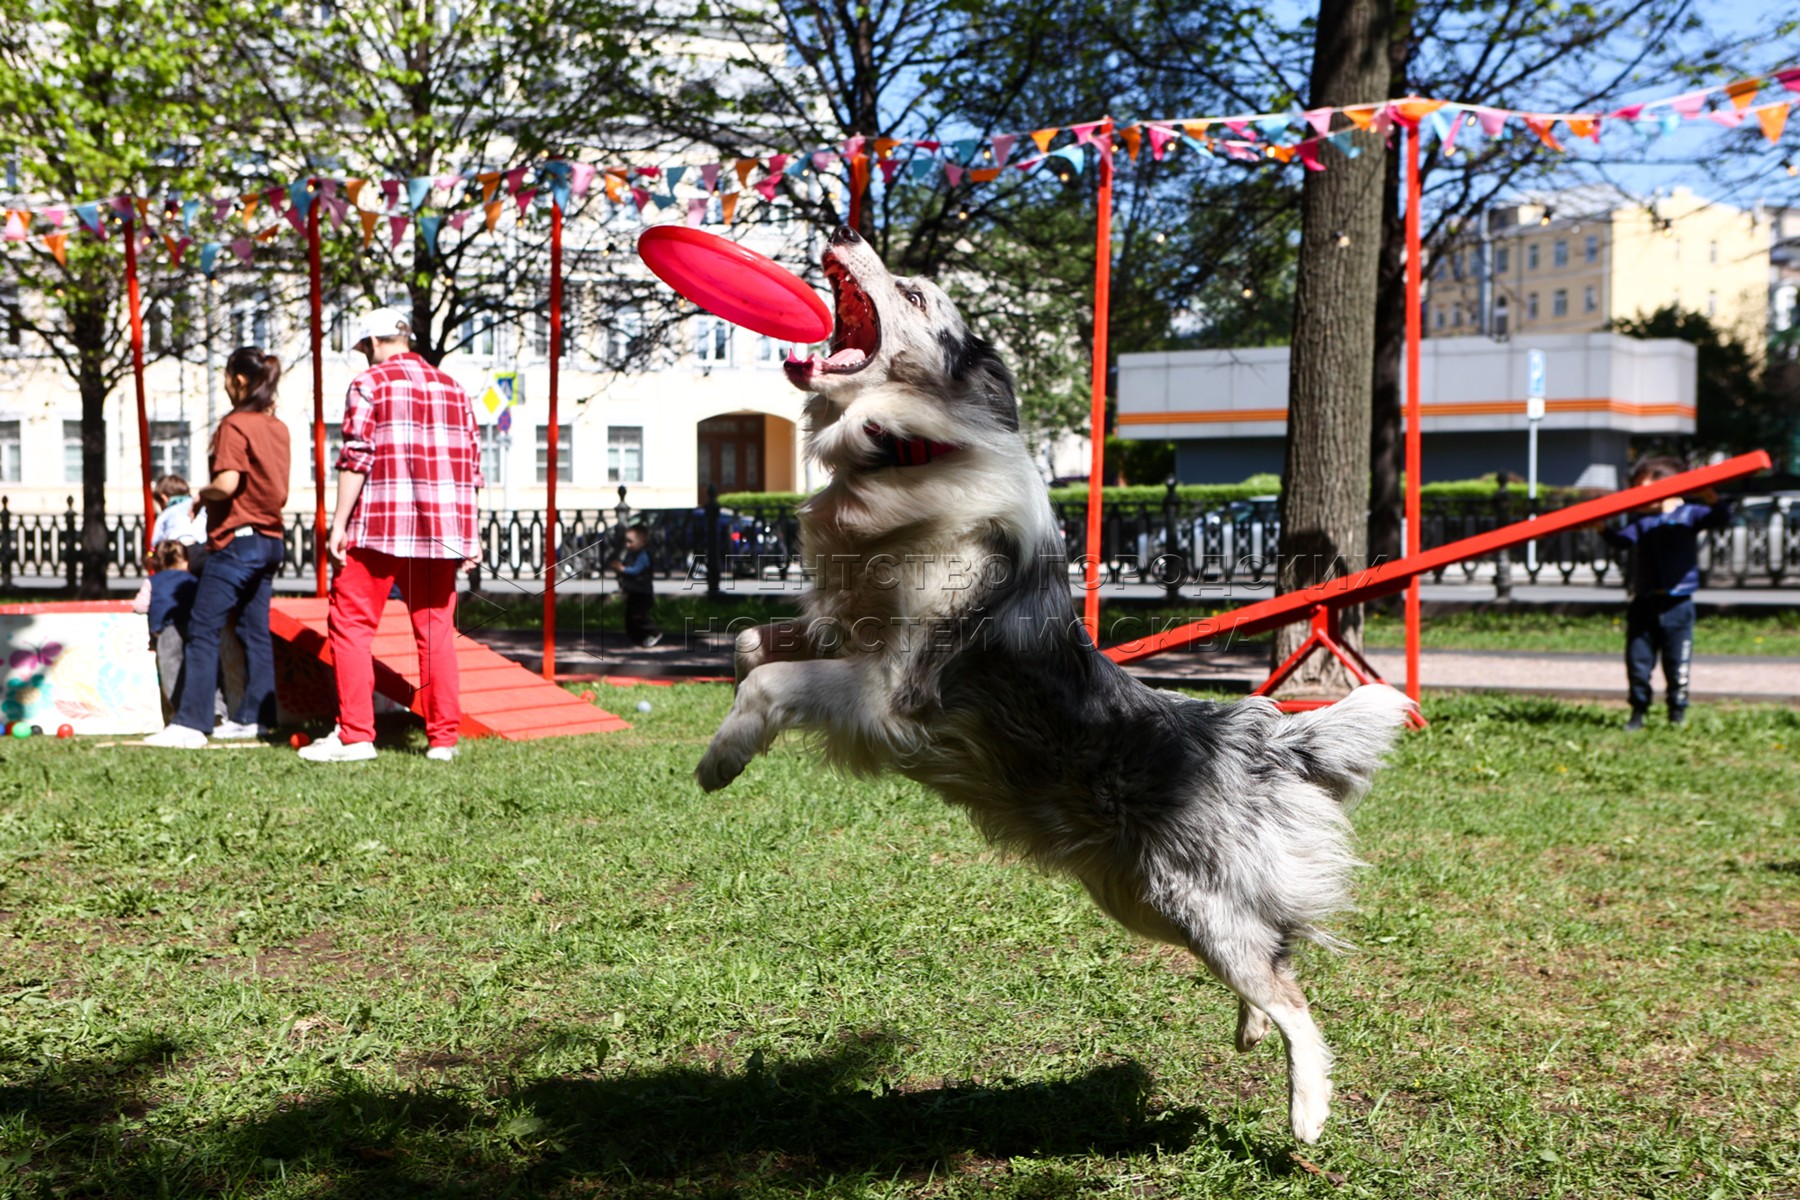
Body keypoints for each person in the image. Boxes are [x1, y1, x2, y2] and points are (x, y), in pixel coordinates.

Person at [299, 308, 483, 764]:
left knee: (351, 625)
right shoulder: (453, 389)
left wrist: (338, 524)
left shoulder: (369, 384)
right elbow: (470, 469)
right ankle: (443, 741)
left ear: (373, 343)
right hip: (442, 530)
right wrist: (471, 534)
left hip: (379, 525)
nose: (364, 357)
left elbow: (357, 457)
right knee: (436, 632)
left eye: (363, 349)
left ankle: (357, 736)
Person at [143, 348, 291, 747]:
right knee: (253, 631)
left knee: (204, 628)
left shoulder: (236, 424)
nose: (225, 386)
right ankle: (254, 719)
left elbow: (227, 483)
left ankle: (191, 724)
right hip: (271, 540)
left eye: (227, 378)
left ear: (239, 380)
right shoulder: (276, 427)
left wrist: (197, 495)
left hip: (237, 543)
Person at [1600, 456, 1733, 730]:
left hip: (1678, 603)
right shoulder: (1642, 522)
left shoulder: (1689, 515)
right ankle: (1638, 711)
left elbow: (1721, 517)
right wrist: (1601, 528)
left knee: (1677, 662)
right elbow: (1622, 541)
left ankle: (1677, 713)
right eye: (1638, 489)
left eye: (1648, 487)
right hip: (1645, 601)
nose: (1643, 496)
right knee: (1638, 661)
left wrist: (1709, 495)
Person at [610, 524, 661, 648]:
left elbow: (635, 570)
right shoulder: (632, 555)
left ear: (642, 542)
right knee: (630, 616)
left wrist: (622, 569)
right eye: (626, 542)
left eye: (630, 542)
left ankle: (653, 632)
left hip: (642, 592)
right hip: (634, 591)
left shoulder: (643, 555)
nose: (627, 545)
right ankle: (636, 638)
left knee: (639, 615)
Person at [150, 474, 208, 547]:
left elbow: (156, 542)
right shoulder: (199, 506)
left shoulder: (166, 514)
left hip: (177, 550)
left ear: (164, 498)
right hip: (203, 547)